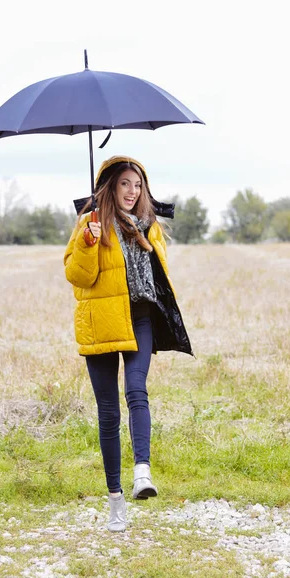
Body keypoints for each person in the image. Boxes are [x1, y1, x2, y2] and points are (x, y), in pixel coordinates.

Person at [64, 156, 193, 532]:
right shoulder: (89, 224)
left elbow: (160, 275)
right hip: (102, 321)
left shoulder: (149, 225)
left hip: (139, 319)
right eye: (124, 184)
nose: (132, 192)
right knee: (108, 412)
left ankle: (142, 473)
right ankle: (115, 500)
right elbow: (77, 277)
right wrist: (89, 242)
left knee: (137, 390)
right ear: (110, 187)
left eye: (137, 185)